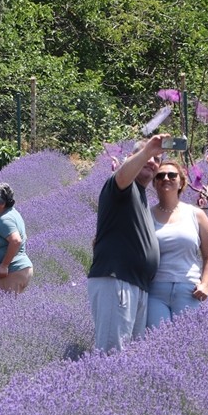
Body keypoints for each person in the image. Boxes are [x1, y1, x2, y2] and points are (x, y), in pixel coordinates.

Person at [86, 134, 166, 353]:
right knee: (112, 355)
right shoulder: (122, 185)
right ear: (132, 157)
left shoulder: (140, 195)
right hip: (117, 281)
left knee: (127, 361)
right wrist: (148, 151)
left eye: (157, 160)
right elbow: (122, 176)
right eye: (147, 156)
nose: (152, 162)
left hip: (135, 285)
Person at [146, 160, 208, 326]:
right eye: (160, 176)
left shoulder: (196, 214)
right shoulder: (146, 216)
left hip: (189, 291)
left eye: (172, 175)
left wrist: (205, 284)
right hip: (155, 291)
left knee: (186, 345)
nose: (166, 178)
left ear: (181, 182)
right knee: (156, 344)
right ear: (154, 183)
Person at [0, 182, 33, 293]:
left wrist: (4, 266)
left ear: (1, 204)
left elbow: (16, 241)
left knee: (10, 307)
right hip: (15, 272)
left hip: (13, 272)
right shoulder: (11, 214)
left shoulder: (6, 220)